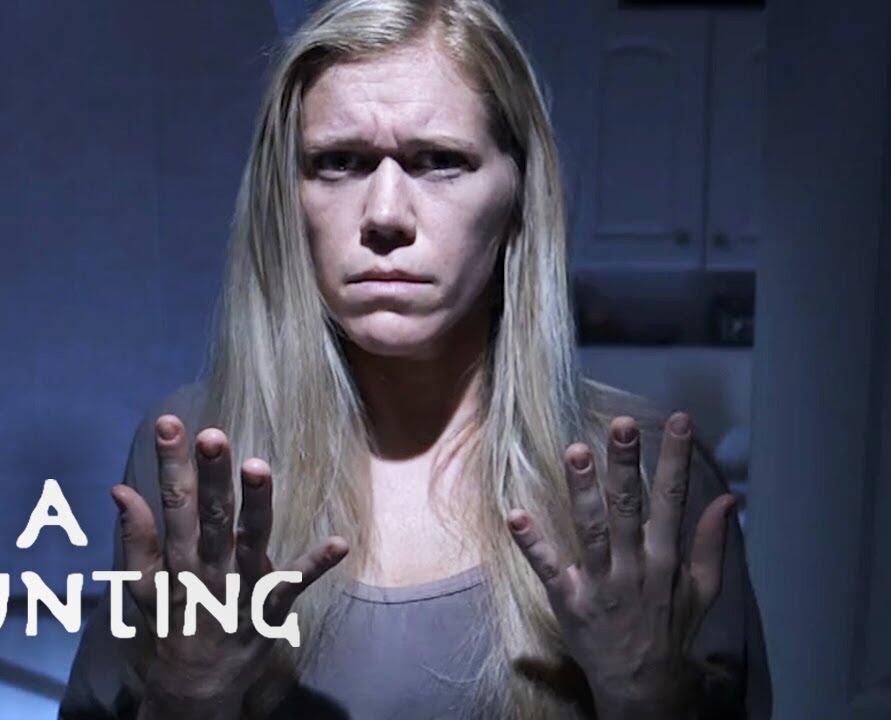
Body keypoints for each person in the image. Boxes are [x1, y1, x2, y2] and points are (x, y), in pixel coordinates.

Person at [60, 0, 770, 717]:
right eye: (339, 163)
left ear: (518, 197)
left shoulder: (643, 478)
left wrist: (645, 696)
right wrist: (188, 692)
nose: (385, 216)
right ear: (287, 198)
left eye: (439, 162)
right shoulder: (195, 457)